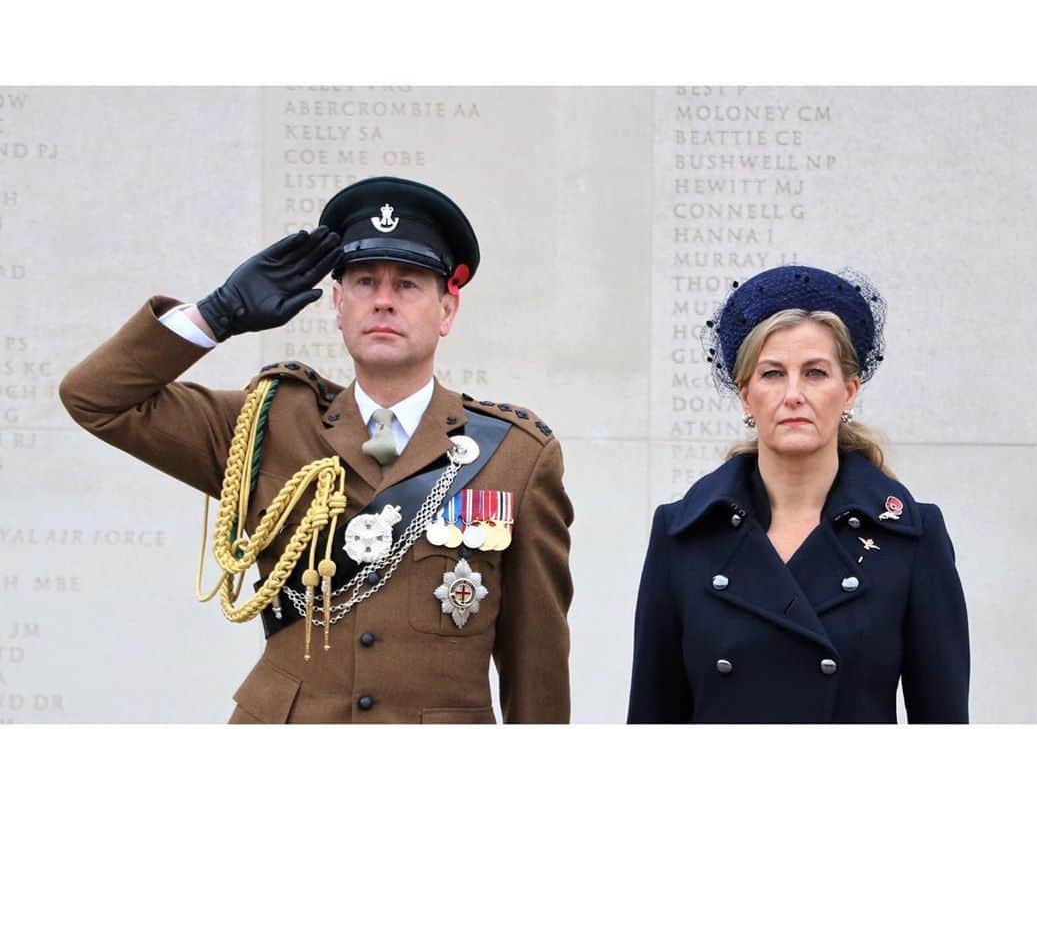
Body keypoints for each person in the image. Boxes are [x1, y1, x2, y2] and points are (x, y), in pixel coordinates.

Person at [60, 176, 573, 724]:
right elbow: (95, 400)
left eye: (408, 286)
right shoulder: (264, 424)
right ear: (337, 304)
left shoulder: (516, 456)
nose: (382, 301)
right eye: (364, 282)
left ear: (447, 310)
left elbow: (535, 664)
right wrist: (219, 314)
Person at [627, 265, 969, 723]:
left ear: (848, 391)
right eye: (772, 374)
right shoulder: (682, 534)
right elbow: (653, 718)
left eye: (814, 373)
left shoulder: (912, 537)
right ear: (746, 396)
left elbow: (944, 726)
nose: (793, 395)